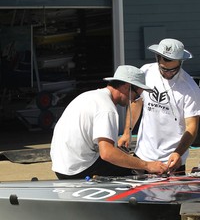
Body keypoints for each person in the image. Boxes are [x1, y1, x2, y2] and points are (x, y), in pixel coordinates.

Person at [50, 65, 168, 179]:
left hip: (60, 166)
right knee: (138, 172)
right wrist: (147, 165)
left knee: (125, 159)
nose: (133, 101)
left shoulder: (89, 96)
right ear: (126, 87)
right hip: (78, 170)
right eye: (136, 96)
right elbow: (107, 154)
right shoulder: (107, 109)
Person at [118, 38, 200, 175]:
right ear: (157, 58)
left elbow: (192, 127)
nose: (168, 73)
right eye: (163, 68)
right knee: (138, 194)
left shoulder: (190, 88)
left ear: (181, 62)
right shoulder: (146, 72)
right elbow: (137, 102)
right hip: (143, 154)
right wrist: (127, 132)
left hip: (171, 160)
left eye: (173, 69)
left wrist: (178, 152)